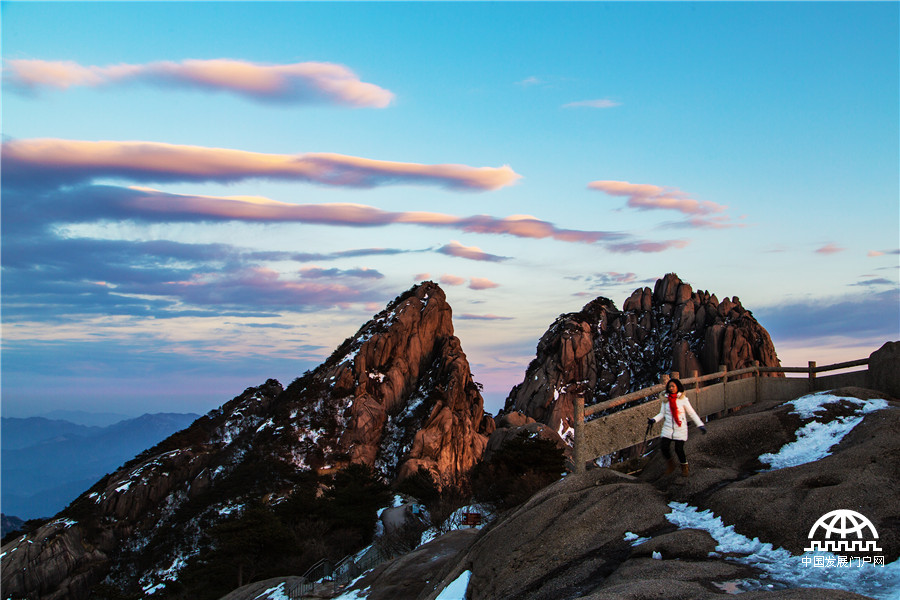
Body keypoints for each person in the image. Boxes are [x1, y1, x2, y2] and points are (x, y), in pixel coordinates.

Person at [648, 378, 706, 477]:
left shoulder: (683, 400)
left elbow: (691, 413)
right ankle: (671, 464)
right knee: (664, 447)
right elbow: (662, 414)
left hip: (680, 427)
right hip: (668, 428)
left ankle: (684, 467)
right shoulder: (665, 400)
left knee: (679, 449)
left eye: (673, 386)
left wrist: (700, 425)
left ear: (677, 387)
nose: (671, 388)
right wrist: (654, 420)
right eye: (669, 386)